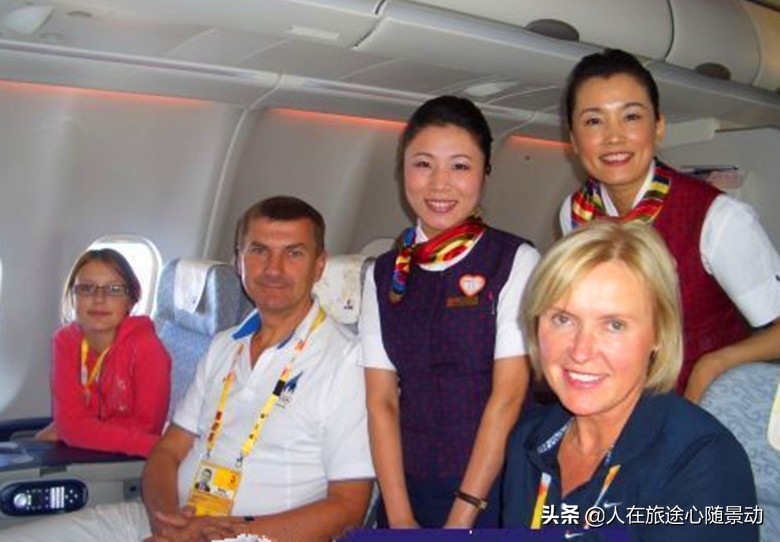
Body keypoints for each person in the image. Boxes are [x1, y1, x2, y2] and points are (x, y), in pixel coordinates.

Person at [7, 196, 374, 542]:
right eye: (259, 250)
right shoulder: (224, 345)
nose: (273, 269)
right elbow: (167, 451)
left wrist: (218, 536)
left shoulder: (346, 361)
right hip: (169, 520)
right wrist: (166, 518)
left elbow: (348, 507)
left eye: (294, 253)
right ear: (238, 260)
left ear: (319, 265)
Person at [502, 220, 759, 541]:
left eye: (614, 325)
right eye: (563, 319)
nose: (580, 352)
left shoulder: (702, 461)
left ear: (659, 335)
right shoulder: (529, 439)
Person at [558, 48, 780, 402]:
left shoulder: (717, 218)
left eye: (631, 117)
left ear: (658, 126)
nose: (614, 137)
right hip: (614, 399)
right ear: (573, 138)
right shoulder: (575, 213)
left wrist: (716, 363)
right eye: (594, 121)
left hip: (700, 406)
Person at [360, 95, 540, 528]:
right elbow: (381, 402)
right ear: (402, 169)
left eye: (460, 166)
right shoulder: (382, 273)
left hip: (495, 488)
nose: (439, 184)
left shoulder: (514, 261)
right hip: (407, 486)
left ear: (485, 173)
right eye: (423, 164)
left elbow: (508, 397)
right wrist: (399, 517)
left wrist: (460, 520)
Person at [34, 248, 171, 457]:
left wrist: (75, 431)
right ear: (73, 296)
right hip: (90, 449)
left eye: (114, 289)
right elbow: (70, 425)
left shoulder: (149, 350)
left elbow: (147, 430)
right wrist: (71, 430)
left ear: (131, 300)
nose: (99, 298)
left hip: (125, 462)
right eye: (86, 288)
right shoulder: (65, 341)